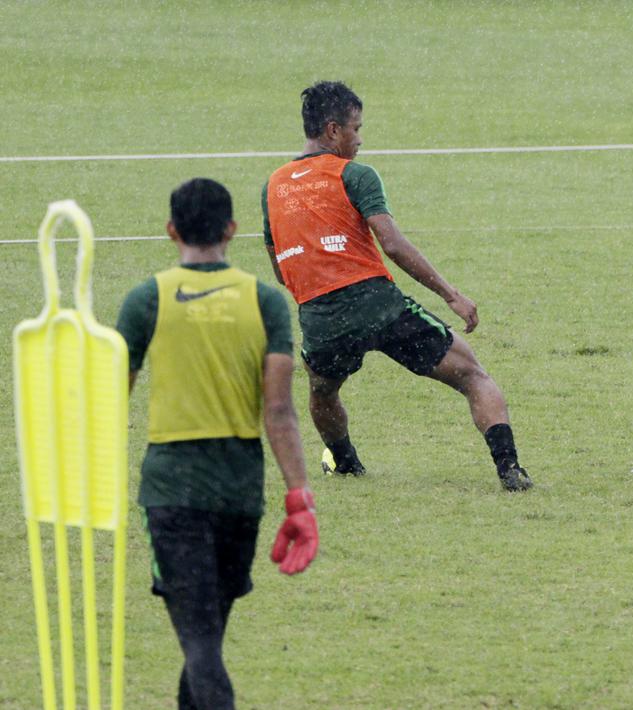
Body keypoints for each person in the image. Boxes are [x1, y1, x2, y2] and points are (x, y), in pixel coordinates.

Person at [261, 81, 532, 491]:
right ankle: (509, 469)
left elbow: (280, 267)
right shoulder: (354, 174)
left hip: (319, 314)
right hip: (376, 303)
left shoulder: (272, 188)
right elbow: (392, 244)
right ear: (333, 131)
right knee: (473, 376)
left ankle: (347, 464)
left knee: (322, 390)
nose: (360, 139)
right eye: (356, 129)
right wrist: (451, 294)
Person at [117, 178, 319, 710]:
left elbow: (111, 397)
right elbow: (278, 410)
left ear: (170, 231)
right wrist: (300, 495)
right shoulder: (266, 303)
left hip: (171, 488)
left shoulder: (147, 299)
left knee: (201, 642)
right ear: (232, 230)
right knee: (205, 638)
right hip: (239, 489)